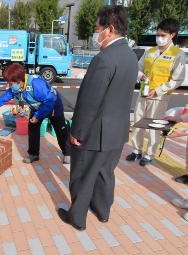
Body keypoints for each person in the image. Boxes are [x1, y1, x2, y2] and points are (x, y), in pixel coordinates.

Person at [57, 6, 138, 230]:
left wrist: (76, 132)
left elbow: (90, 101)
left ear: (110, 29)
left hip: (95, 133)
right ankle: (102, 212)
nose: (96, 33)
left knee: (82, 175)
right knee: (105, 173)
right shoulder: (131, 56)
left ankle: (77, 218)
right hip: (117, 131)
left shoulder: (104, 58)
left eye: (98, 28)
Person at [0, 63, 71, 164]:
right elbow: (0, 100)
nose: (10, 85)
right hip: (37, 107)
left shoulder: (36, 83)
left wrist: (38, 115)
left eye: (11, 82)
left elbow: (49, 100)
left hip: (53, 106)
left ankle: (67, 153)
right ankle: (33, 154)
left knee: (61, 130)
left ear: (19, 80)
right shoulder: (16, 88)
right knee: (33, 129)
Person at [126, 18, 185, 166]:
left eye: (163, 35)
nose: (159, 37)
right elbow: (138, 68)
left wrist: (158, 90)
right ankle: (136, 151)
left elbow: (177, 80)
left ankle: (149, 155)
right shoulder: (150, 51)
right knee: (138, 123)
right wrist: (140, 76)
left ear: (172, 35)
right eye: (158, 34)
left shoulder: (177, 54)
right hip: (143, 93)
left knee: (154, 127)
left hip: (159, 98)